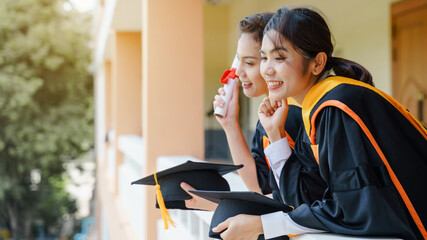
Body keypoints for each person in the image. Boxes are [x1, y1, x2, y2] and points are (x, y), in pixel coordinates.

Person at [212, 6, 427, 240]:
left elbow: (352, 211)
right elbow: (301, 201)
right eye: (263, 58)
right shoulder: (316, 108)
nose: (267, 69)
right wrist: (275, 134)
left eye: (280, 57)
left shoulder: (336, 107)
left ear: (317, 63)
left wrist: (263, 224)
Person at [181, 11, 326, 211]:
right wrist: (230, 123)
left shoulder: (294, 114)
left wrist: (219, 206)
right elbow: (259, 183)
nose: (238, 72)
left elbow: (294, 199)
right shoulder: (270, 114)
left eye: (249, 63)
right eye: (238, 61)